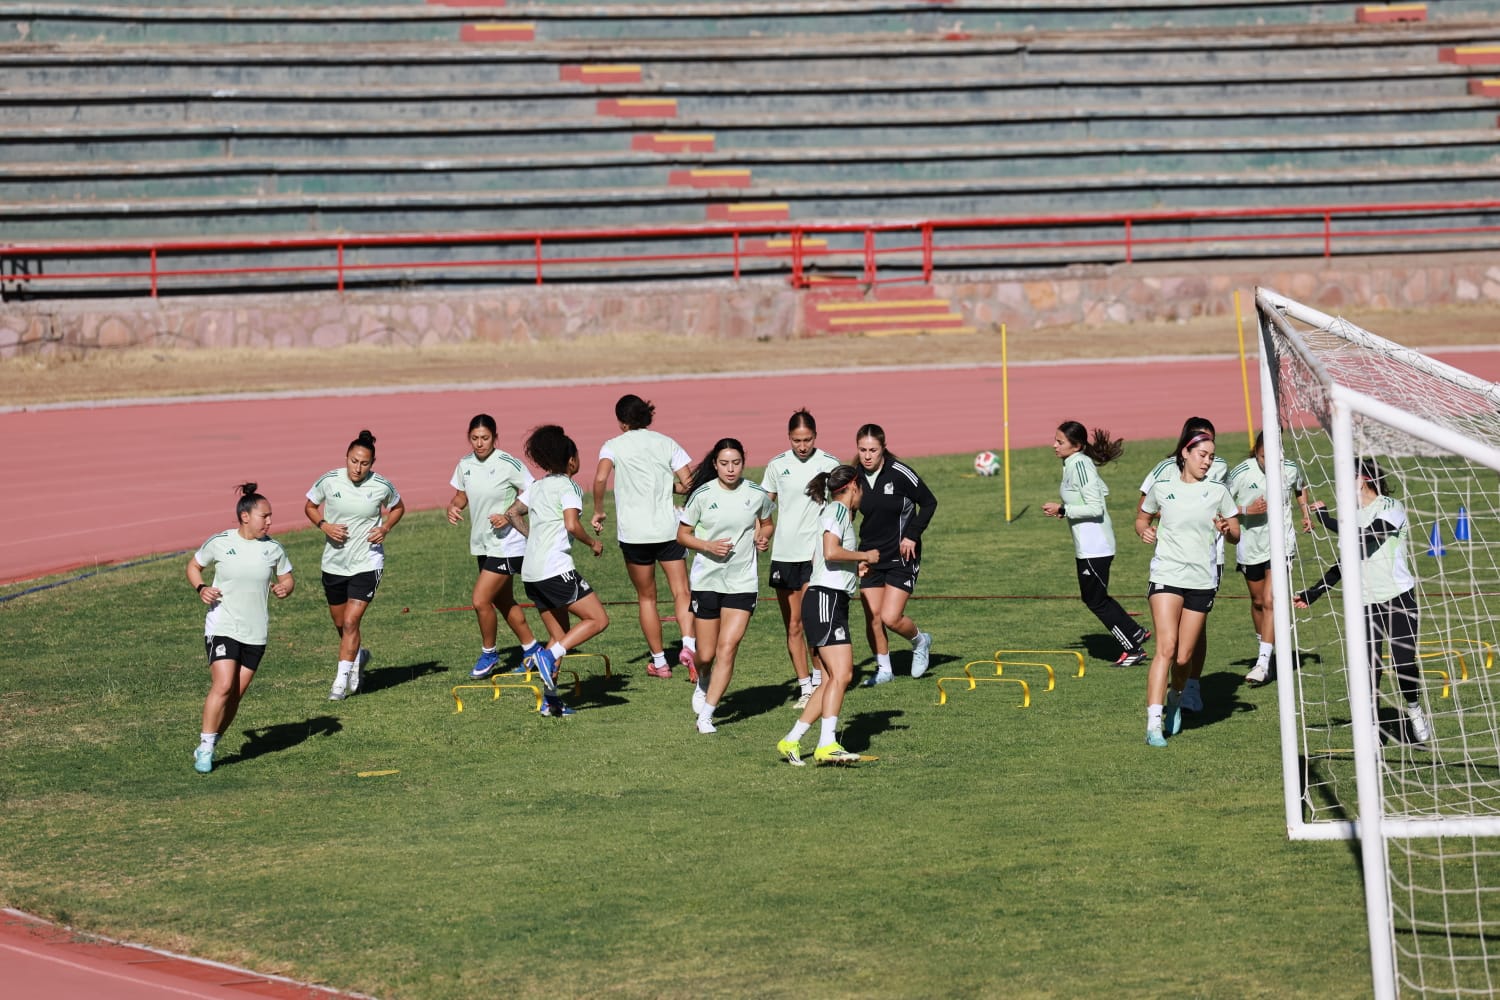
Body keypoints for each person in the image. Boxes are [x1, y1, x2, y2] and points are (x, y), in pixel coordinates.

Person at [1293, 459, 1430, 745]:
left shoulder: (1390, 506)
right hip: (1365, 604)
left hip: (1398, 598)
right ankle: (1371, 726)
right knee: (1369, 668)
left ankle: (1414, 709)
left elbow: (1370, 534)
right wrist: (1314, 592)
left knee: (1404, 664)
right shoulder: (1350, 516)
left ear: (1363, 479)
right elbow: (1344, 563)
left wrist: (1326, 519)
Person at [1135, 427, 1239, 747]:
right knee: (1165, 648)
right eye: (1202, 455)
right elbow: (1141, 518)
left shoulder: (1218, 491)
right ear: (1185, 453)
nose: (1207, 462)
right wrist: (1144, 530)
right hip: (1166, 574)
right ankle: (1153, 724)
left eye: (1211, 457)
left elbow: (1236, 535)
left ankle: (1175, 699)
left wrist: (1227, 529)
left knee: (1183, 658)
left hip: (1201, 581)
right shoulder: (1163, 487)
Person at [776, 465, 882, 765]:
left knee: (829, 680)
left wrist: (855, 566)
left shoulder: (838, 513)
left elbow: (827, 559)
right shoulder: (837, 511)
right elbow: (830, 552)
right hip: (826, 600)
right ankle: (827, 744)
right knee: (843, 674)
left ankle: (791, 740)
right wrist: (864, 555)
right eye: (861, 488)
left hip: (829, 599)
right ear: (853, 486)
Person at [186, 483, 294, 773]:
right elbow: (193, 566)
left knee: (235, 694)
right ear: (245, 516)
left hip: (256, 632)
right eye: (264, 516)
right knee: (223, 685)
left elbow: (287, 578)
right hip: (223, 625)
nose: (269, 521)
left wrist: (285, 588)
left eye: (270, 516)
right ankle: (205, 747)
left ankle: (212, 740)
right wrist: (201, 588)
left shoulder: (273, 548)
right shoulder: (220, 542)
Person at [591, 394, 695, 680]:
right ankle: (689, 648)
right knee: (682, 592)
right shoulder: (666, 442)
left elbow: (599, 478)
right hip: (668, 530)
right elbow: (688, 483)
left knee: (647, 598)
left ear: (621, 422)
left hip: (634, 535)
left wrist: (598, 510)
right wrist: (664, 485)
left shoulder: (612, 445)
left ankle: (660, 663)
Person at [508, 424, 610, 717]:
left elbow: (512, 512)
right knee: (598, 619)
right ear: (571, 460)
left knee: (560, 636)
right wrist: (592, 543)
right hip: (555, 569)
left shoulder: (537, 487)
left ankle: (550, 702)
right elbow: (571, 524)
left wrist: (533, 538)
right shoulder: (570, 487)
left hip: (531, 573)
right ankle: (545, 656)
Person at [678, 439, 774, 734]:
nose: (730, 469)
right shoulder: (702, 495)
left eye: (736, 463)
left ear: (743, 462)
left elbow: (767, 522)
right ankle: (703, 680)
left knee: (728, 648)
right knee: (706, 654)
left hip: (742, 582)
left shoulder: (756, 493)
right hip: (707, 580)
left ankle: (706, 716)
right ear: (715, 464)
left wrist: (763, 537)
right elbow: (683, 535)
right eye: (724, 463)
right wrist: (708, 546)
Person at [305, 429, 404, 701]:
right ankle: (358, 656)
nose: (358, 468)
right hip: (334, 564)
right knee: (342, 624)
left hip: (367, 562)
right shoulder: (329, 480)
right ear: (346, 458)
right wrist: (324, 525)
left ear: (372, 463)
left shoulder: (381, 486)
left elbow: (398, 508)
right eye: (353, 461)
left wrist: (385, 528)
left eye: (364, 463)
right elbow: (310, 506)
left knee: (351, 621)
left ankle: (340, 682)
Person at [1041, 421, 1150, 666]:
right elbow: (1101, 491)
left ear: (1077, 445)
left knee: (1095, 600)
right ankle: (1135, 632)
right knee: (1096, 597)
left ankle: (1133, 648)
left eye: (1060, 442)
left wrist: (1064, 509)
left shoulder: (1080, 465)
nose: (1054, 445)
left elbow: (1096, 507)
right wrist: (1066, 510)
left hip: (1095, 547)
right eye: (1055, 440)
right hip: (1089, 546)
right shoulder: (1074, 463)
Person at [446, 414, 543, 680]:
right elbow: (461, 495)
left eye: (485, 438)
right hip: (483, 544)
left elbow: (534, 491)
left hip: (507, 543)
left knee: (480, 600)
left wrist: (509, 514)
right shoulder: (464, 464)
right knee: (503, 601)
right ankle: (533, 649)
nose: (480, 443)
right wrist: (453, 507)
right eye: (475, 438)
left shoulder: (508, 463)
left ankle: (489, 653)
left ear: (495, 438)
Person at [760, 408, 842, 707]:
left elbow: (843, 507)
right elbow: (764, 505)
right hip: (784, 554)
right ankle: (805, 686)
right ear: (789, 438)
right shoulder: (776, 465)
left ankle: (820, 681)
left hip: (815, 555)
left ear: (816, 437)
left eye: (807, 440)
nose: (802, 446)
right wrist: (762, 532)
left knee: (812, 622)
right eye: (797, 440)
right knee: (793, 625)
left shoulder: (830, 464)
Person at [852, 424, 936, 685]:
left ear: (883, 448)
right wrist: (855, 557)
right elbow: (847, 514)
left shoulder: (900, 473)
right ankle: (884, 670)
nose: (867, 456)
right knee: (873, 618)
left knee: (890, 617)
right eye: (863, 450)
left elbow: (929, 502)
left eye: (873, 450)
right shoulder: (855, 477)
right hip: (870, 556)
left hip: (902, 556)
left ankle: (920, 641)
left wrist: (912, 535)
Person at [1227, 431, 1312, 685]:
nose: (1268, 462)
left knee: (1270, 599)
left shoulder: (1290, 469)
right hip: (1251, 546)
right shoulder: (1241, 472)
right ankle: (1267, 653)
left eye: (1273, 457)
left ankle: (1263, 663)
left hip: (1281, 544)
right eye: (1264, 456)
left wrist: (1305, 513)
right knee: (1257, 602)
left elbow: (1300, 488)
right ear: (1256, 452)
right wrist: (1248, 510)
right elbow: (1221, 505)